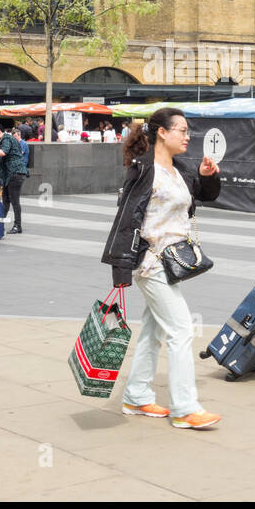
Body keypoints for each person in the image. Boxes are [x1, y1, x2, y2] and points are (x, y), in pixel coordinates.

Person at [100, 107, 222, 429]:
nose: (187, 135)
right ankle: (184, 408)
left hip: (170, 262)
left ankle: (137, 396)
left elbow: (204, 196)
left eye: (187, 130)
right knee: (182, 329)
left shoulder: (180, 168)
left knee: (154, 331)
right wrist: (121, 270)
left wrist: (209, 177)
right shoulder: (143, 169)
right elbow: (126, 219)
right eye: (181, 130)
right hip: (150, 263)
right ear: (162, 133)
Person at [0, 123, 29, 234]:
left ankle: (17, 226)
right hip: (10, 175)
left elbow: (3, 152)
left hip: (15, 173)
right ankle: (0, 224)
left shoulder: (6, 139)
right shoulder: (3, 140)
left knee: (14, 201)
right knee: (5, 200)